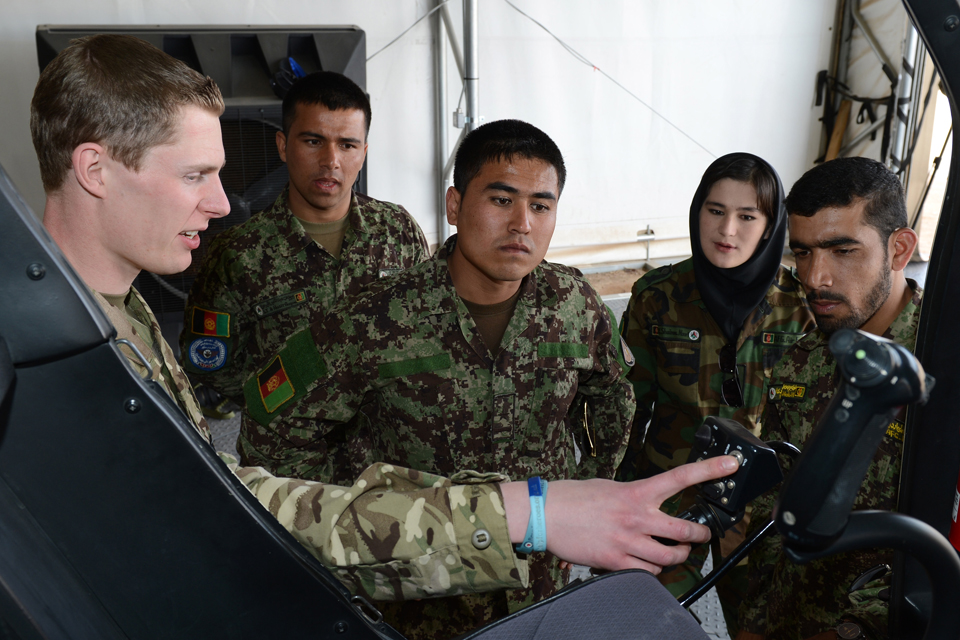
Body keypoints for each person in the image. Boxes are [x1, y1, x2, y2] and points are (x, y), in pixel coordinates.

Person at [30, 33, 738, 610]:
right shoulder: (43, 361)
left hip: (524, 576)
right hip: (410, 592)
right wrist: (532, 512)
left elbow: (222, 494)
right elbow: (262, 462)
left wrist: (546, 508)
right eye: (195, 176)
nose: (221, 203)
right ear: (95, 168)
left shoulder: (119, 324)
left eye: (543, 205)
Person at [242, 119, 635, 638]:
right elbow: (276, 432)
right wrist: (355, 526)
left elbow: (613, 400)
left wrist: (579, 498)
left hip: (537, 579)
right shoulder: (371, 317)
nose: (522, 223)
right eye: (501, 200)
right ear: (454, 206)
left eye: (541, 205)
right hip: (418, 592)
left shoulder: (575, 304)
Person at [180, 70, 428, 477]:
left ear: (363, 152)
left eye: (347, 145)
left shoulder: (397, 231)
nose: (331, 161)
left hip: (388, 460)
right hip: (287, 468)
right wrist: (291, 399)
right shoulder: (238, 253)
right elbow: (211, 364)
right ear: (283, 145)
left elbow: (425, 334)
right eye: (313, 141)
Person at [616, 153, 816, 630]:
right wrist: (615, 498)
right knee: (635, 621)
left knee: (762, 627)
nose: (727, 229)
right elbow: (624, 411)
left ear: (770, 226)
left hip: (762, 508)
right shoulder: (657, 295)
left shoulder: (798, 307)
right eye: (715, 210)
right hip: (669, 495)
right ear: (696, 212)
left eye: (748, 216)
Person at [737, 157, 921, 640]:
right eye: (801, 252)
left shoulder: (935, 372)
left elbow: (939, 542)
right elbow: (775, 512)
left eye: (842, 250)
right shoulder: (803, 360)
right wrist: (755, 624)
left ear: (899, 250)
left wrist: (853, 632)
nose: (815, 278)